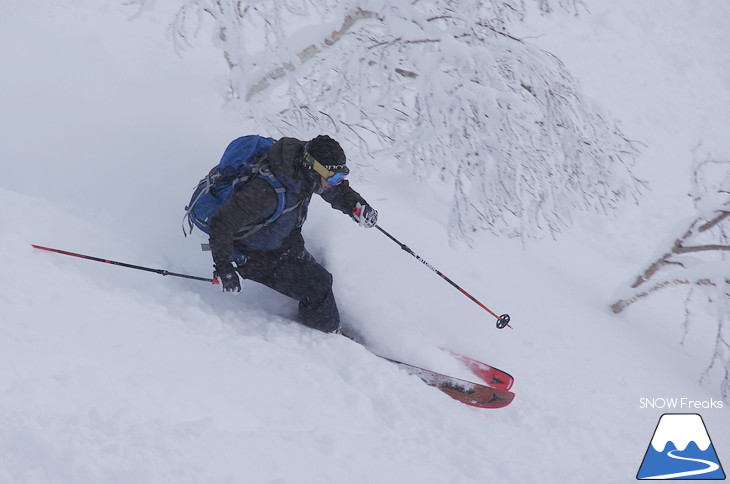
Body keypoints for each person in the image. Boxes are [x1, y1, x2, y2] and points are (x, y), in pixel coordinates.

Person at [207, 135, 378, 334]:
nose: (336, 182)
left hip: (283, 240)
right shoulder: (265, 190)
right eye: (333, 178)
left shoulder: (300, 169)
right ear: (312, 168)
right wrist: (225, 267)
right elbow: (221, 223)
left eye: (341, 177)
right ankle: (325, 336)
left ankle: (325, 318)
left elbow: (334, 190)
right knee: (318, 283)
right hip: (252, 254)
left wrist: (355, 207)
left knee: (316, 275)